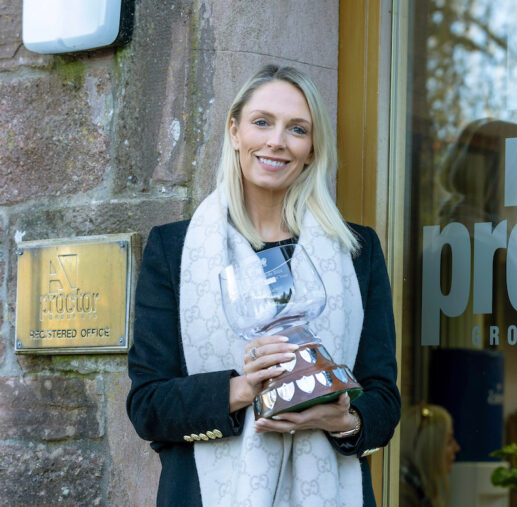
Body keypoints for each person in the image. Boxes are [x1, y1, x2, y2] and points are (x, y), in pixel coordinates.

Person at [126, 64, 400, 506]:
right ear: (235, 131)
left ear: (311, 149)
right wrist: (242, 388)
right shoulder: (174, 249)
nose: (276, 141)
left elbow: (384, 396)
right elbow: (147, 405)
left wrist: (343, 419)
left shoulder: (357, 250)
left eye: (297, 129)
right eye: (261, 122)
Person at [399, 404, 460, 507]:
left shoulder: (418, 490)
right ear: (428, 448)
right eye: (449, 441)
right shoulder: (404, 497)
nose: (457, 447)